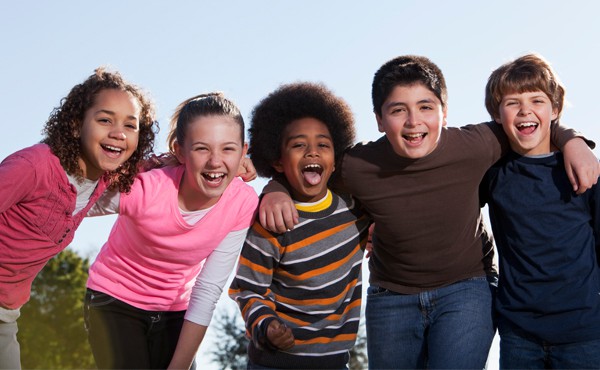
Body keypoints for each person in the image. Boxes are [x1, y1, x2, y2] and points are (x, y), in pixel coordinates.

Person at [259, 55, 600, 369]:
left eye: (425, 107)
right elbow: (306, 167)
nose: (413, 122)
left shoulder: (478, 145)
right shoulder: (358, 165)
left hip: (466, 290)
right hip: (392, 296)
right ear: (378, 119)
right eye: (397, 111)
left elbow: (531, 123)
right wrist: (274, 188)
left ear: (444, 112)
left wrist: (574, 140)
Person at [83, 92, 259, 369]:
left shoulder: (242, 202)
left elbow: (208, 289)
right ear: (180, 151)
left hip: (176, 310)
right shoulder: (148, 188)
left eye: (228, 149)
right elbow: (76, 201)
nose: (215, 162)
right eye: (202, 148)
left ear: (243, 151)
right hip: (114, 301)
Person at [0, 67, 157, 369]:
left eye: (130, 125)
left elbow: (154, 166)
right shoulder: (33, 167)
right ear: (75, 125)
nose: (118, 132)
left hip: (7, 313)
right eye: (104, 120)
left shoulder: (102, 176)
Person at [228, 82, 371, 369]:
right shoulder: (271, 223)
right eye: (298, 145)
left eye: (323, 145)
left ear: (335, 160)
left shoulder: (355, 209)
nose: (312, 152)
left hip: (334, 361)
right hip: (274, 362)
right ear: (278, 161)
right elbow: (248, 289)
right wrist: (266, 325)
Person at [480, 53, 600, 369]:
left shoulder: (584, 170)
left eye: (537, 100)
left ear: (555, 110)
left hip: (584, 333)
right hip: (519, 335)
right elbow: (447, 202)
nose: (525, 111)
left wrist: (573, 141)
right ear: (496, 113)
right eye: (512, 103)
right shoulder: (492, 174)